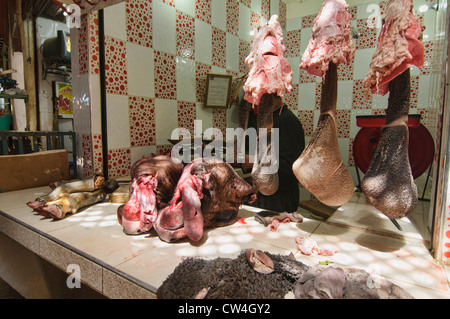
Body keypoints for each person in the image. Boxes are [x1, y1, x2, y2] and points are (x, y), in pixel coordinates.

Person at [244, 95, 305, 213]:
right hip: (267, 195)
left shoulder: (287, 121)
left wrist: (256, 162)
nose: (254, 102)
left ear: (272, 97)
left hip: (282, 198)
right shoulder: (270, 120)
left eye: (258, 98)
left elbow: (291, 167)